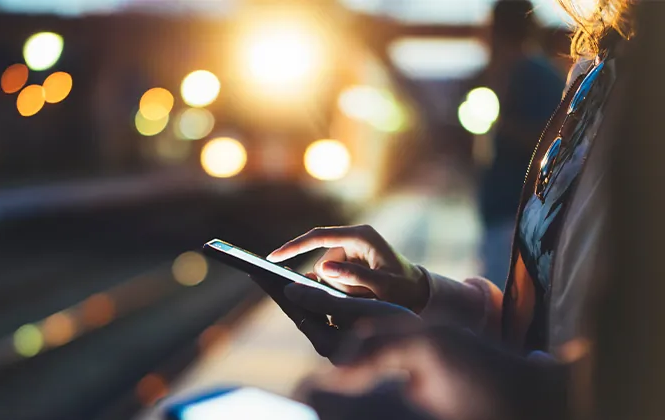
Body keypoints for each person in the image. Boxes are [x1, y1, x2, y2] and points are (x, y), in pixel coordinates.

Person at [259, 0, 633, 360]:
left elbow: (604, 397)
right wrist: (422, 292)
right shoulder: (594, 69)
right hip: (497, 217)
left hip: (501, 225)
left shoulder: (633, 89)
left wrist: (431, 353)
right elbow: (538, 329)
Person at [478, 0, 565, 285]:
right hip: (509, 216)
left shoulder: (534, 75)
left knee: (503, 304)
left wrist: (500, 127)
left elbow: (549, 139)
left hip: (517, 219)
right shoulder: (516, 73)